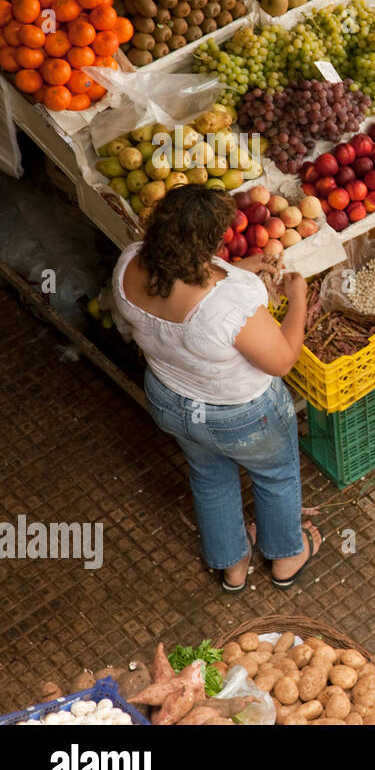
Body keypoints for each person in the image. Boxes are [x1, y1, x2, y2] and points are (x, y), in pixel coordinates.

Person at [112, 185, 321, 592]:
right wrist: (298, 298)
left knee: (209, 477)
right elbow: (281, 359)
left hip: (171, 401)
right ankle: (285, 558)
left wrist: (240, 268)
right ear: (208, 243)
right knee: (275, 475)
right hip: (240, 415)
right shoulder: (230, 301)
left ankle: (232, 566)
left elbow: (182, 295)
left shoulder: (129, 263)